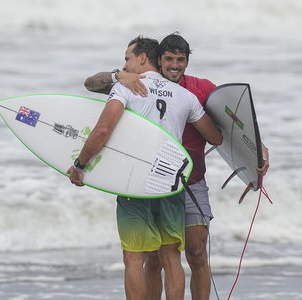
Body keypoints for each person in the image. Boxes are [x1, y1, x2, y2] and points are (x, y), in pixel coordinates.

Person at [84, 33, 270, 300]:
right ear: (158, 60)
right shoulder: (134, 82)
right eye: (168, 59)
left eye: (180, 60)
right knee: (155, 257)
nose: (174, 65)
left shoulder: (200, 89)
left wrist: (260, 148)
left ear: (187, 62)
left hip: (190, 182)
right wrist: (118, 75)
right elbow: (91, 84)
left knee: (195, 252)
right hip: (159, 183)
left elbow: (237, 121)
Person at [68, 36, 223, 300]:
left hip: (136, 184)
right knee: (171, 255)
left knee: (134, 257)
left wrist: (80, 164)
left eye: (127, 59)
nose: (125, 65)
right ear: (159, 59)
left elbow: (103, 129)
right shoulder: (184, 96)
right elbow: (216, 137)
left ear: (142, 58)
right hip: (170, 186)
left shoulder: (127, 89)